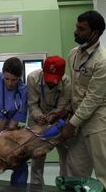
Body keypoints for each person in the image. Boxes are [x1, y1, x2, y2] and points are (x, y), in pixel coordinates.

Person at [61, 10, 106, 192]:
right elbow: (74, 87)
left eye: (81, 29)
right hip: (79, 123)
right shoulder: (74, 54)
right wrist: (66, 110)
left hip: (100, 125)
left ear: (94, 33)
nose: (76, 31)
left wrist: (71, 124)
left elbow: (93, 99)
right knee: (76, 173)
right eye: (76, 27)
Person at [27, 55, 72, 185]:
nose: (51, 82)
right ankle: (36, 186)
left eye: (55, 79)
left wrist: (52, 117)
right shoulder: (32, 78)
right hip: (37, 120)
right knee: (37, 156)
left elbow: (62, 106)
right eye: (48, 78)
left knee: (65, 155)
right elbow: (32, 104)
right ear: (42, 70)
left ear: (62, 75)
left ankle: (64, 184)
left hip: (59, 120)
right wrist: (38, 116)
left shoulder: (67, 83)